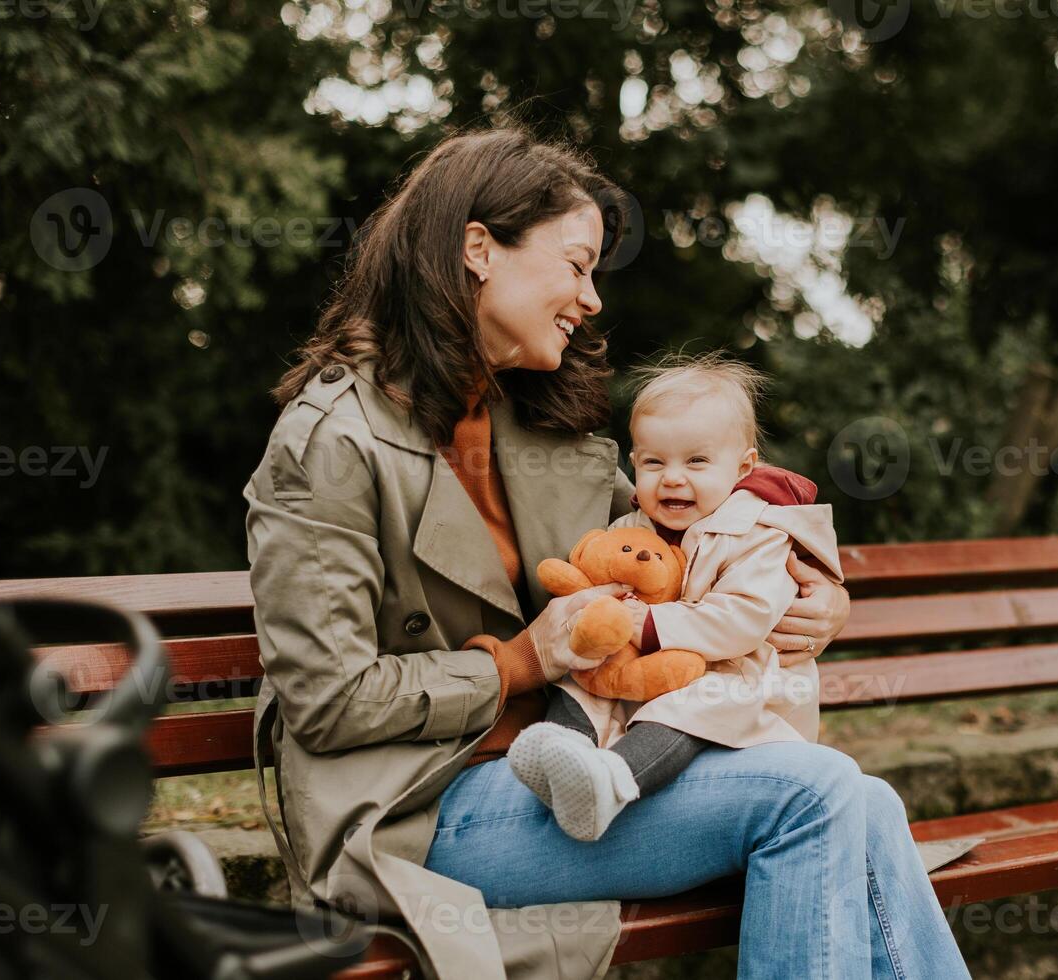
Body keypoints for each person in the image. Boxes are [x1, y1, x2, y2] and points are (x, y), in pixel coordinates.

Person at [245, 123, 971, 980]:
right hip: (420, 809)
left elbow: (692, 538)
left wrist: (814, 595)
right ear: (479, 249)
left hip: (584, 768)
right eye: (576, 264)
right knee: (815, 795)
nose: (592, 299)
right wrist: (519, 660)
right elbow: (329, 701)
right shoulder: (329, 444)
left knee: (866, 801)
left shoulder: (533, 425)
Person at [508, 353, 845, 843]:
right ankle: (563, 751)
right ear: (634, 463)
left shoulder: (760, 534)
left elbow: (743, 619)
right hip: (648, 666)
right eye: (653, 462)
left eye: (696, 461)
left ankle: (613, 783)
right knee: (585, 681)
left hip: (739, 676)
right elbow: (601, 578)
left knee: (685, 705)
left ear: (743, 467)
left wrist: (649, 623)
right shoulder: (631, 526)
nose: (672, 477)